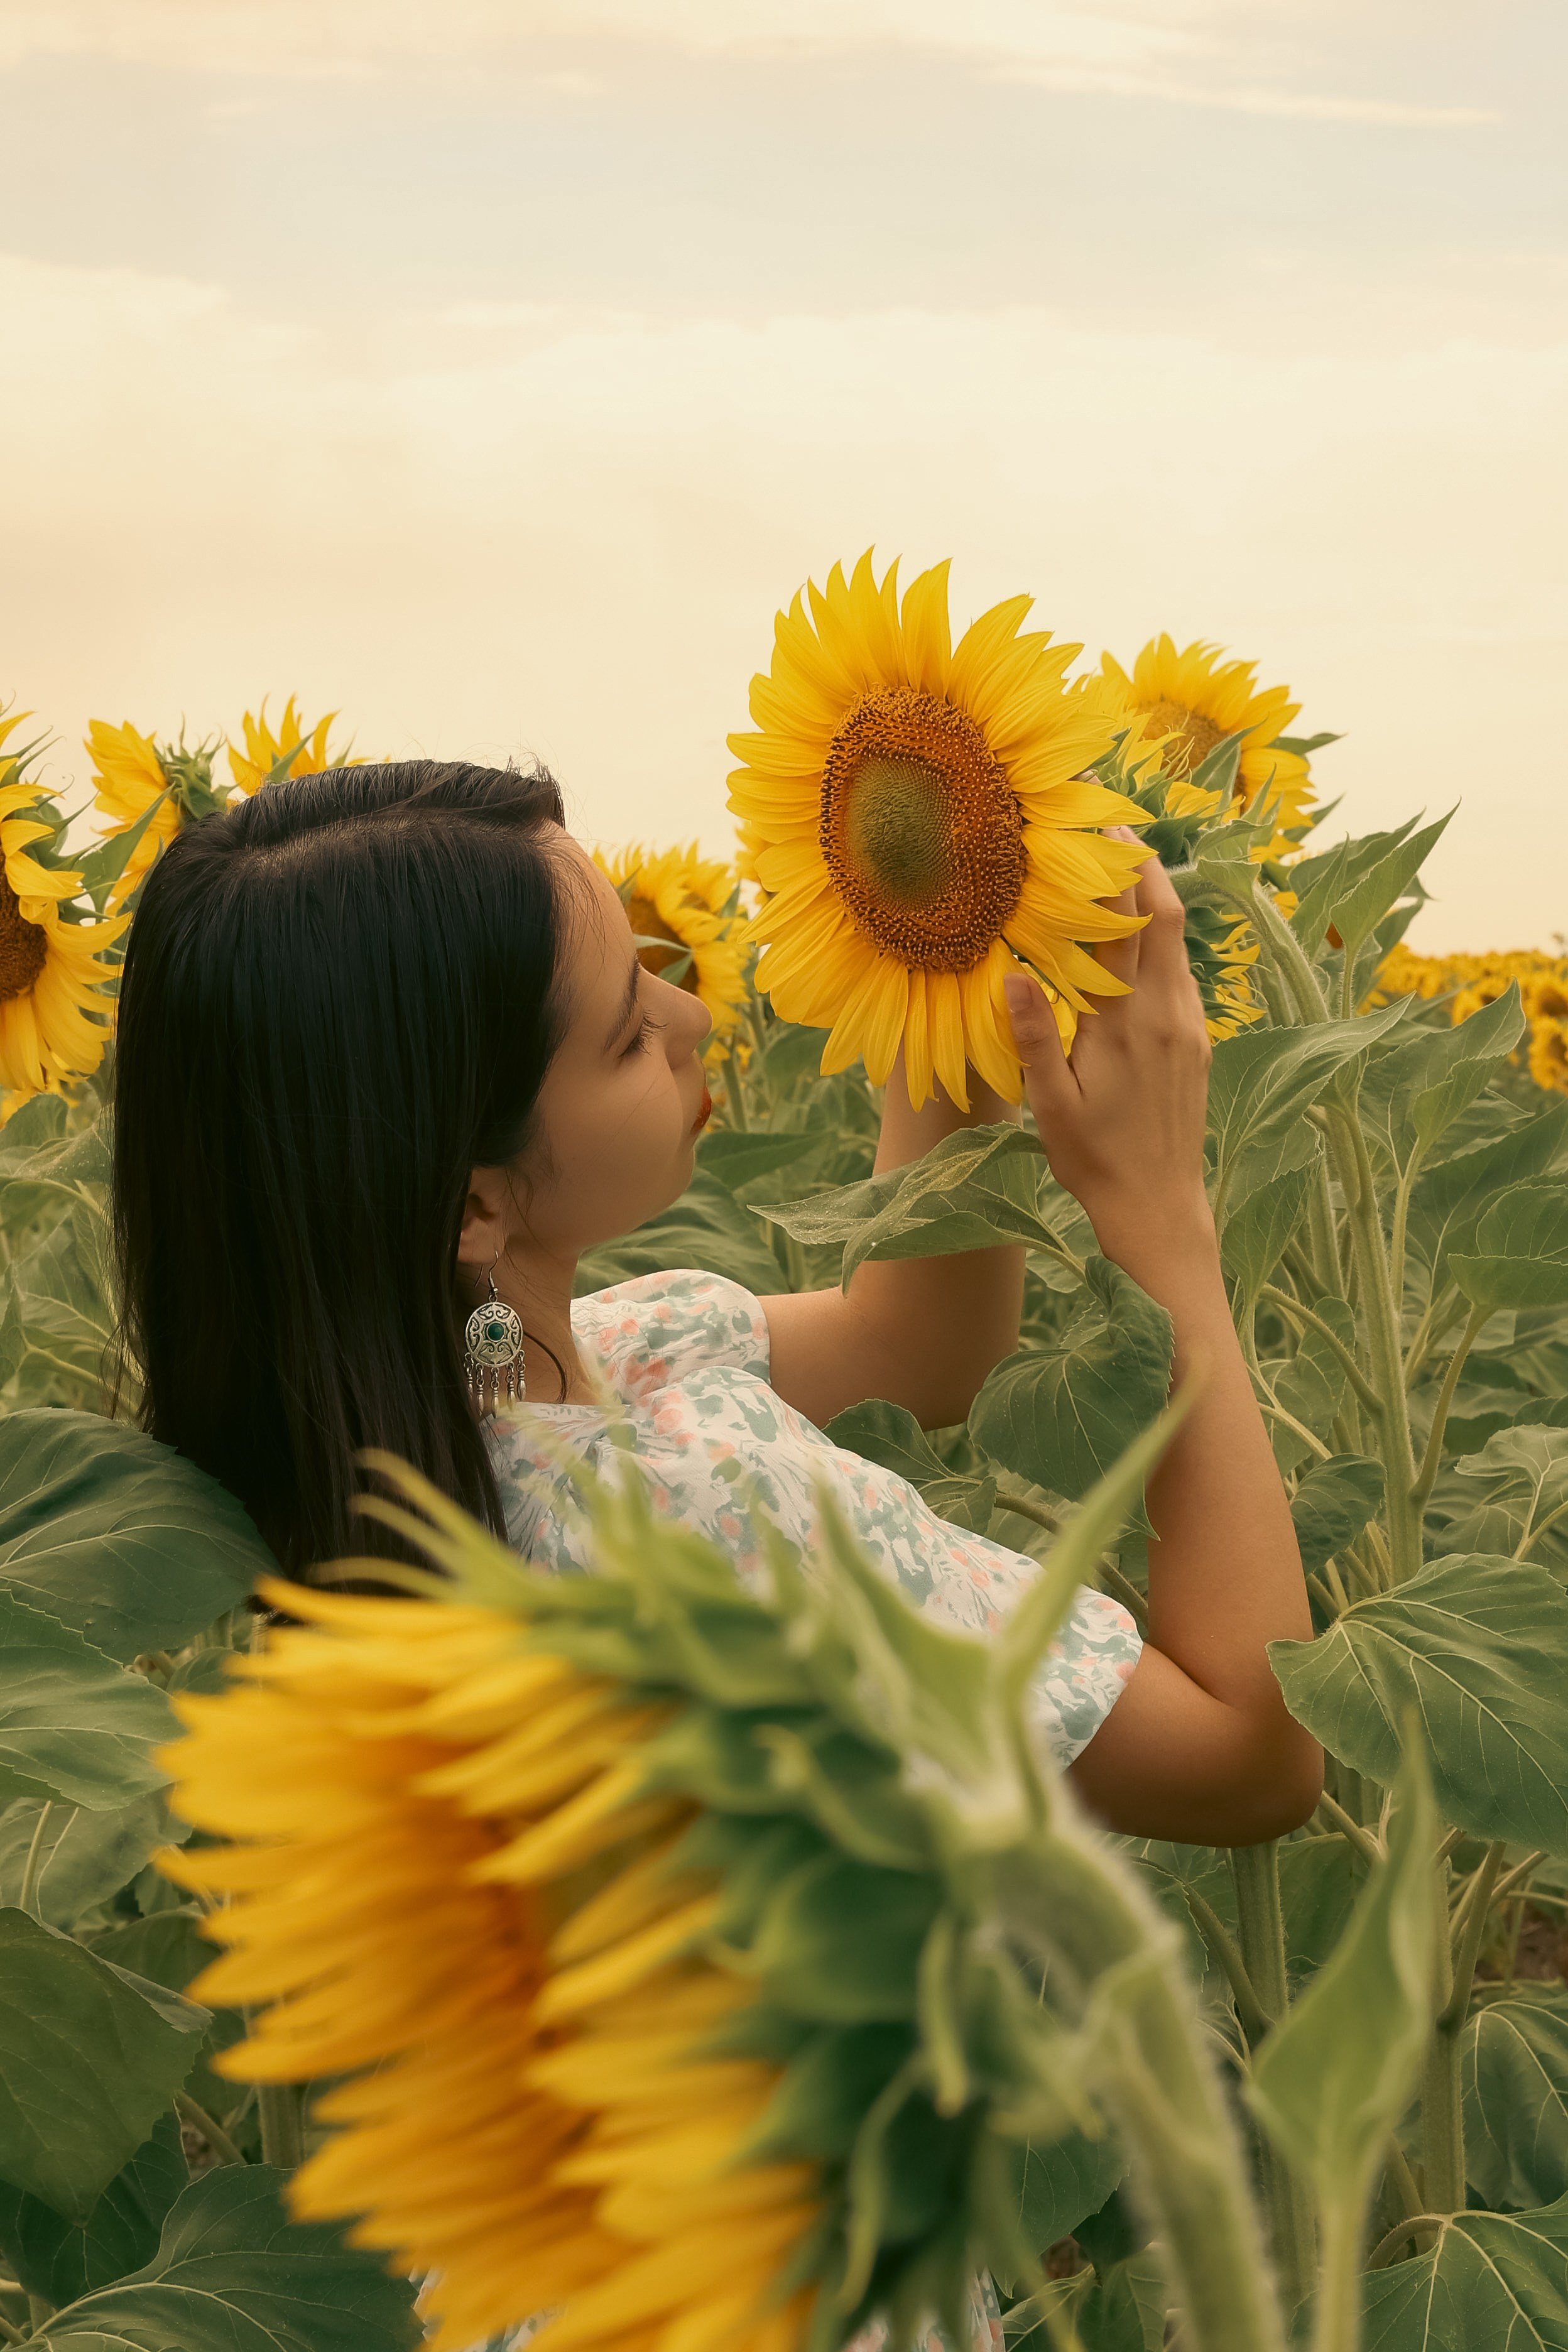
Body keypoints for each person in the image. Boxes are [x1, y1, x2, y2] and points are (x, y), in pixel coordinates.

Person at [114, 758, 1319, 1848]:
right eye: (631, 1031)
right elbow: (1250, 1758)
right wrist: (1158, 1211)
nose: (692, 1017)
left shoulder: (460, 1416)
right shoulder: (698, 1520)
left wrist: (933, 950)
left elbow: (917, 1346)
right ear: (473, 1207)